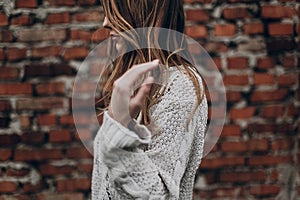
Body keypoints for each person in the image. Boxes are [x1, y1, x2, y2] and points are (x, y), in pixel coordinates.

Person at [92, 0, 208, 199]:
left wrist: (121, 129)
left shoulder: (179, 87)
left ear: (142, 14)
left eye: (116, 12)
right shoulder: (134, 81)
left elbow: (157, 195)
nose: (105, 23)